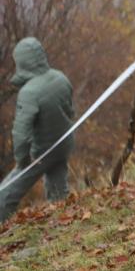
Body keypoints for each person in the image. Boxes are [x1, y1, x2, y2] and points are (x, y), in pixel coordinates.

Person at [0, 37, 75, 223]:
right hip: (63, 144)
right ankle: (64, 224)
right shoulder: (60, 78)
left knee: (5, 195)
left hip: (41, 153)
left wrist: (22, 161)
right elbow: (70, 111)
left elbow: (21, 133)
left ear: (22, 62)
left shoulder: (29, 92)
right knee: (58, 190)